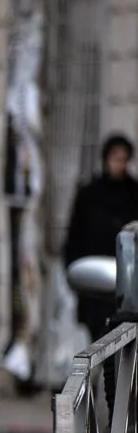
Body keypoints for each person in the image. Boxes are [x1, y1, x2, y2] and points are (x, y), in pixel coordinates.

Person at [62, 133, 138, 341]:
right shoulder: (89, 195)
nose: (119, 164)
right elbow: (74, 238)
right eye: (115, 158)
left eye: (124, 159)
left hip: (130, 289)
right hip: (94, 290)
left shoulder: (134, 194)